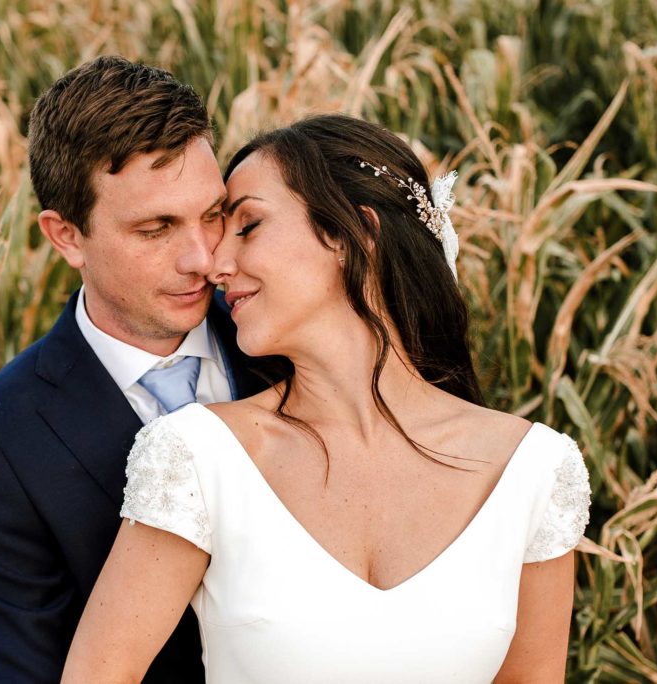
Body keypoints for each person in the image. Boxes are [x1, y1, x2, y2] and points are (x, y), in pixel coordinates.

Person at [61, 114, 592, 683]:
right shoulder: (197, 457)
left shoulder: (534, 471)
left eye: (248, 226)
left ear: (353, 234)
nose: (217, 265)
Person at [0, 56, 270, 682]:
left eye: (212, 213)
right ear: (66, 237)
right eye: (156, 229)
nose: (203, 259)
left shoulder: (287, 344)